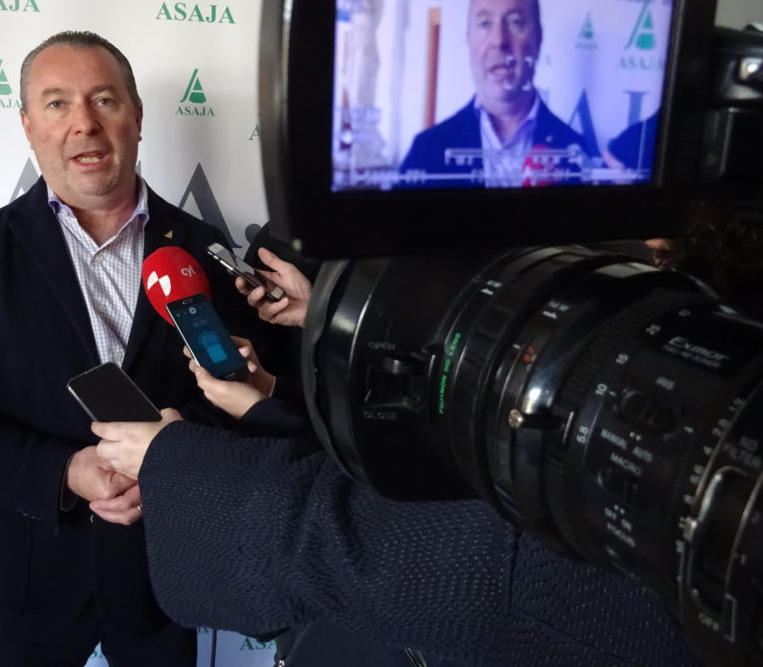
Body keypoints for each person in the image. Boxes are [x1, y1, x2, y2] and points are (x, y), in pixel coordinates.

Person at [93, 249, 701, 667]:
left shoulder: (603, 550)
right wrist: (274, 392)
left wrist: (171, 458)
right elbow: (384, 467)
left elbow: (353, 536)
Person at [0, 30, 262, 667]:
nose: (83, 123)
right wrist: (65, 473)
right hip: (24, 583)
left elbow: (250, 404)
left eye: (105, 100)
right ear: (29, 126)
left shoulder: (207, 251)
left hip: (162, 578)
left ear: (136, 118)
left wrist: (174, 462)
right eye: (57, 103)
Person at [399, 0, 594, 188]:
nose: (499, 40)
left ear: (538, 40)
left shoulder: (577, 153)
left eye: (515, 22)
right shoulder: (426, 151)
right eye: (485, 24)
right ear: (469, 40)